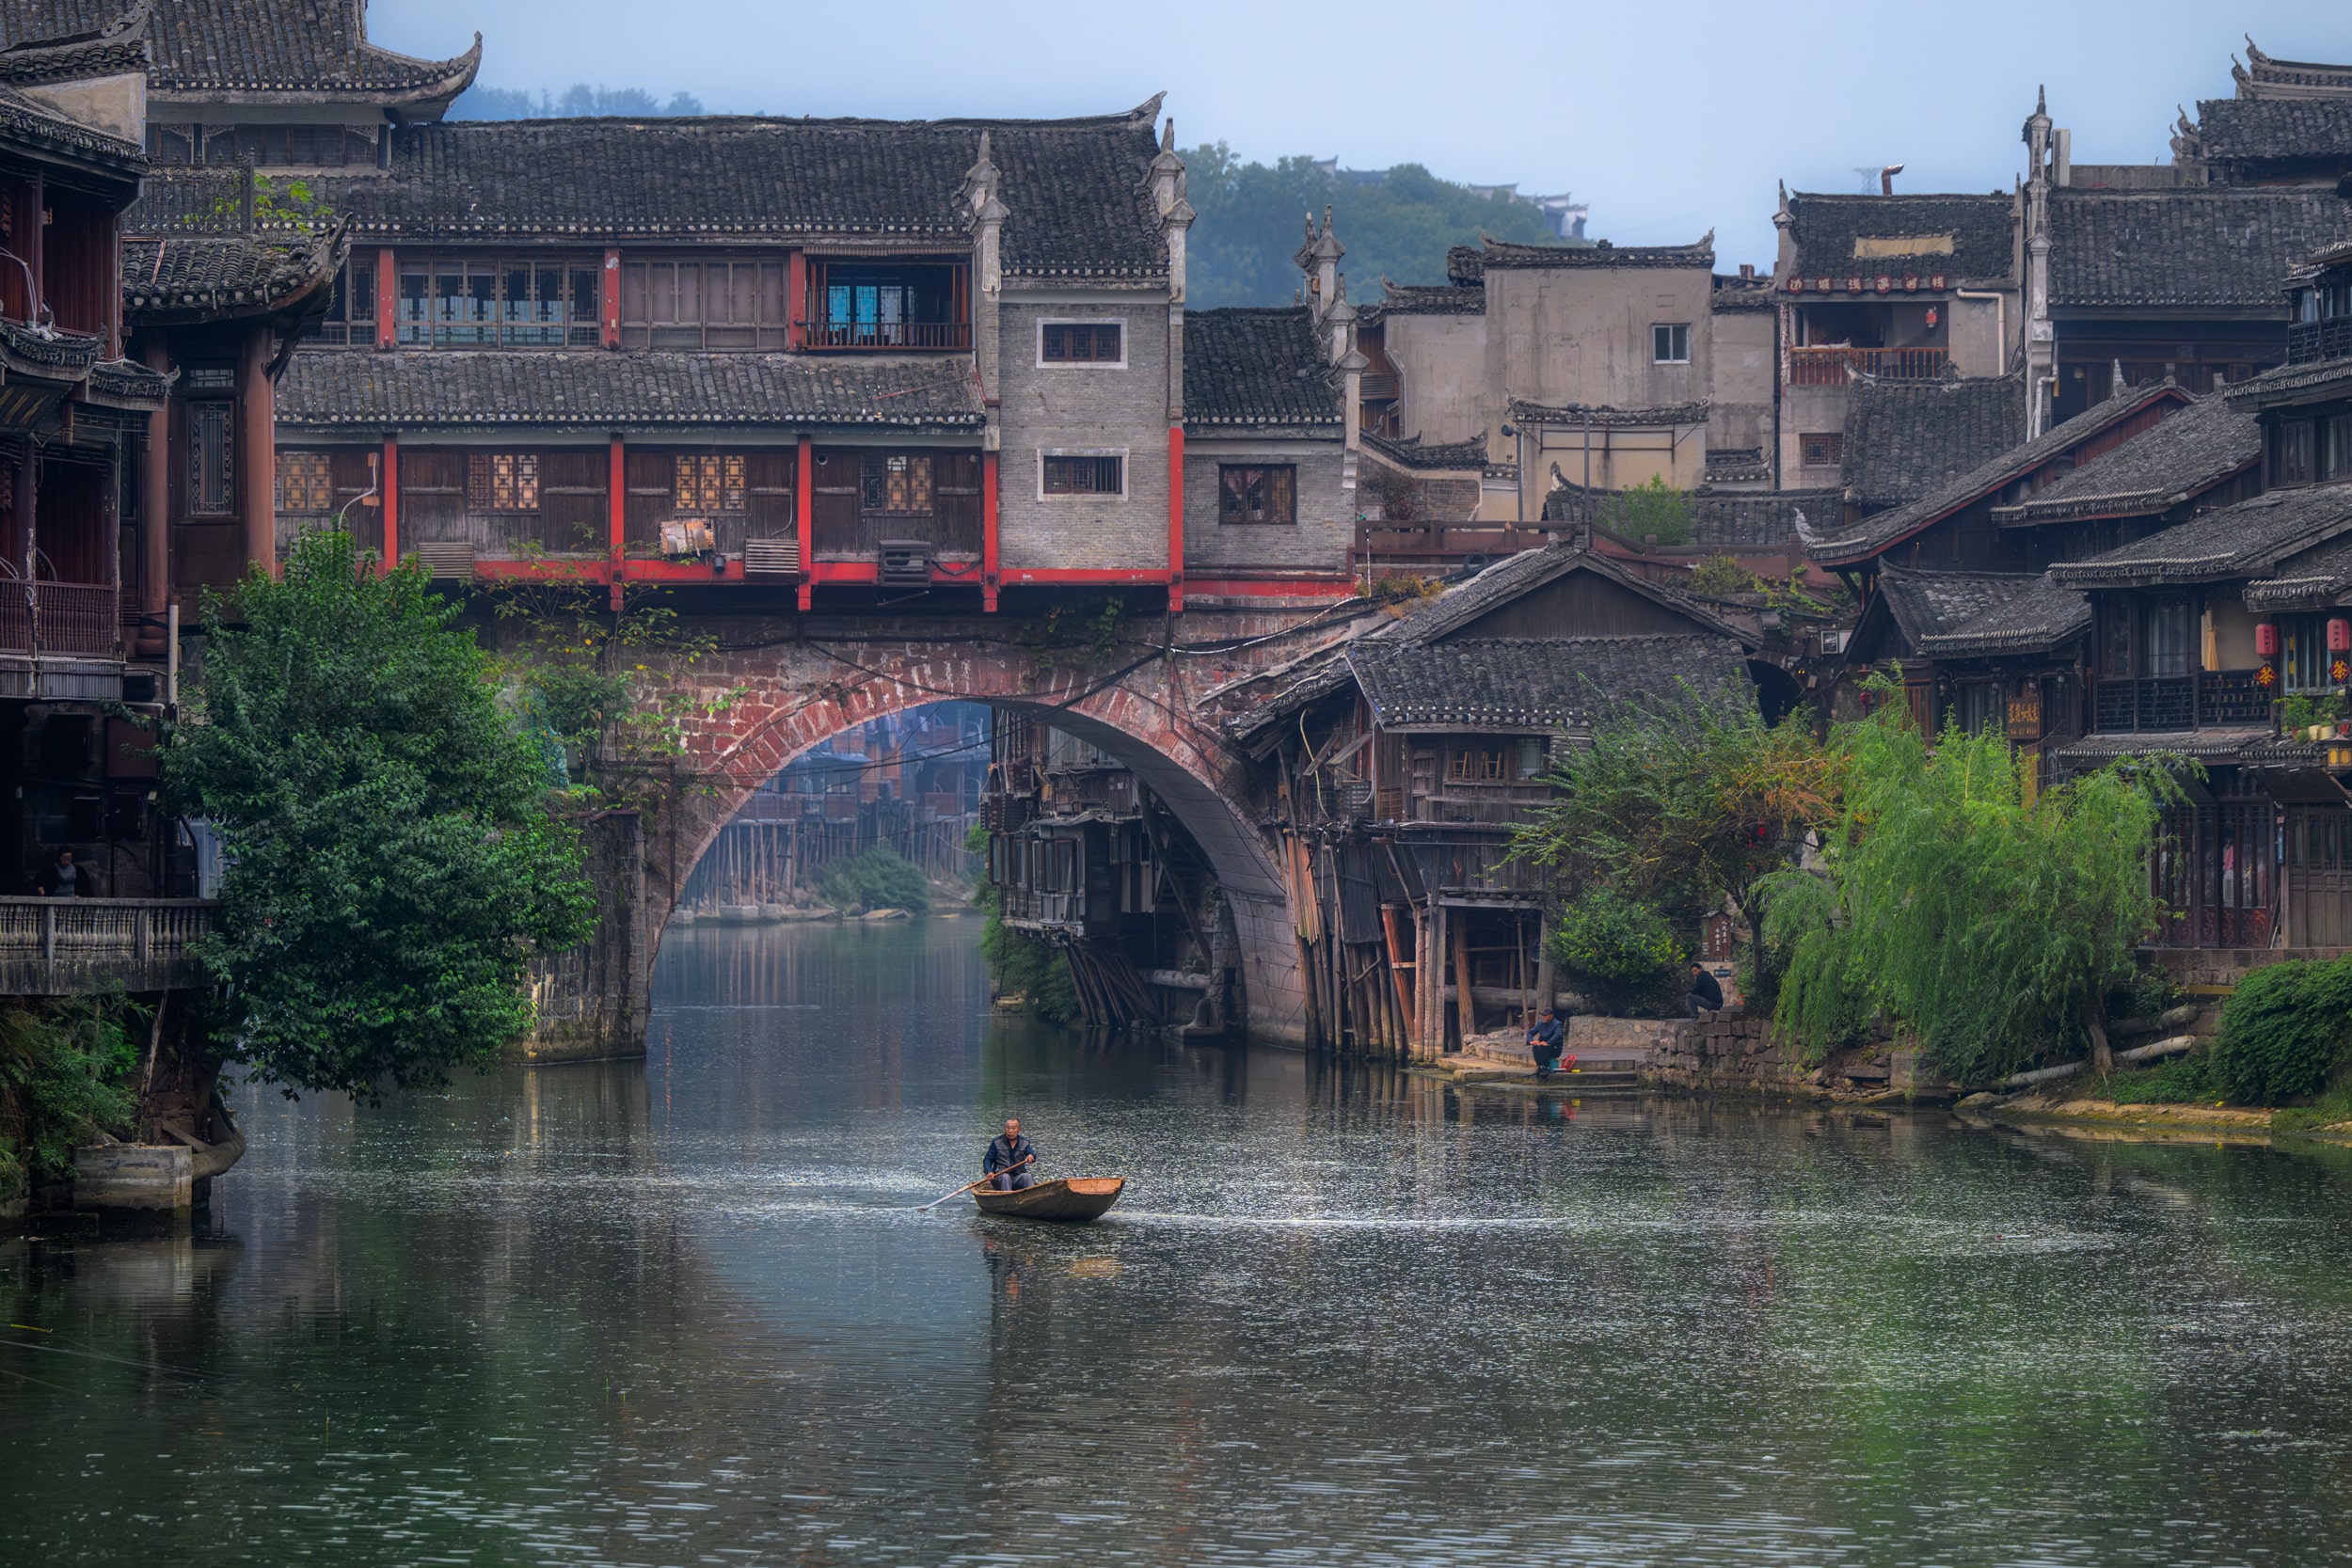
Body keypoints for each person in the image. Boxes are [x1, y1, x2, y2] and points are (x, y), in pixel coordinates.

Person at [983, 1117, 1037, 1191]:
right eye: (1008, 1128)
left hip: (1017, 1177)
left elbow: (1031, 1154)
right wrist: (989, 1171)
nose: (1010, 1131)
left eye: (1013, 1128)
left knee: (1026, 1176)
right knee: (1006, 1177)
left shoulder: (1025, 1142)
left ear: (1019, 1130)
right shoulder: (996, 1142)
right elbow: (988, 1159)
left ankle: (1032, 1197)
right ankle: (1007, 1198)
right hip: (1000, 1178)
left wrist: (1031, 1156)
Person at [1525, 1006, 1565, 1080]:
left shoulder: (1557, 1024)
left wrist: (1548, 1043)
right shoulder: (1540, 1023)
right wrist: (1531, 1041)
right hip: (1542, 1046)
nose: (1543, 1017)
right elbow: (1530, 1032)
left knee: (1543, 1046)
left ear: (1551, 1016)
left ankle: (1546, 1067)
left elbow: (1558, 1035)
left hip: (1554, 1047)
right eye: (1543, 1015)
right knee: (1536, 1046)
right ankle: (1541, 1066)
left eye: (1545, 1016)